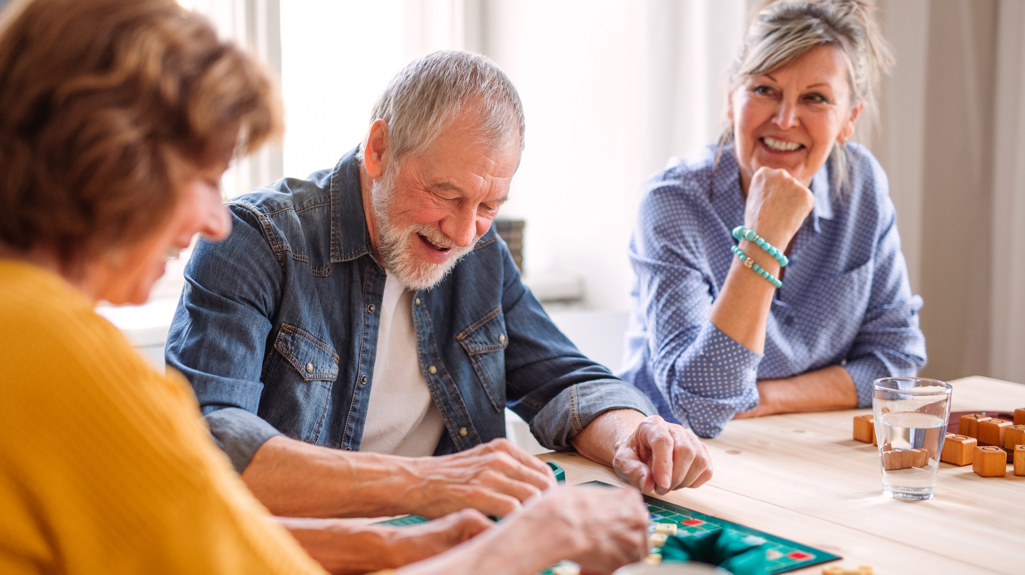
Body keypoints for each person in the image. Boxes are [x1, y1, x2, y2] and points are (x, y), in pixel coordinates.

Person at [0, 1, 653, 573]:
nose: (212, 217)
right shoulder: (60, 348)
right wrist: (517, 541)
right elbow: (219, 490)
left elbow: (221, 540)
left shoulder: (29, 319)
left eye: (485, 206)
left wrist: (397, 547)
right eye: (203, 177)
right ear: (111, 160)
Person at [165, 50, 713, 523]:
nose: (463, 231)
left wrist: (632, 435)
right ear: (378, 148)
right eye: (446, 195)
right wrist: (429, 484)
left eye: (488, 206)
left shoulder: (481, 252)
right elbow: (214, 442)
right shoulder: (253, 240)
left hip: (447, 539)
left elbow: (562, 379)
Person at [619, 0, 927, 438]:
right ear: (731, 97)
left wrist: (769, 396)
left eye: (815, 98)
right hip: (665, 453)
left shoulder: (860, 186)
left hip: (789, 440)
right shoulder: (673, 202)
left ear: (848, 120)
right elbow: (700, 409)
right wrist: (763, 238)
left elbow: (897, 362)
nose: (785, 120)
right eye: (765, 89)